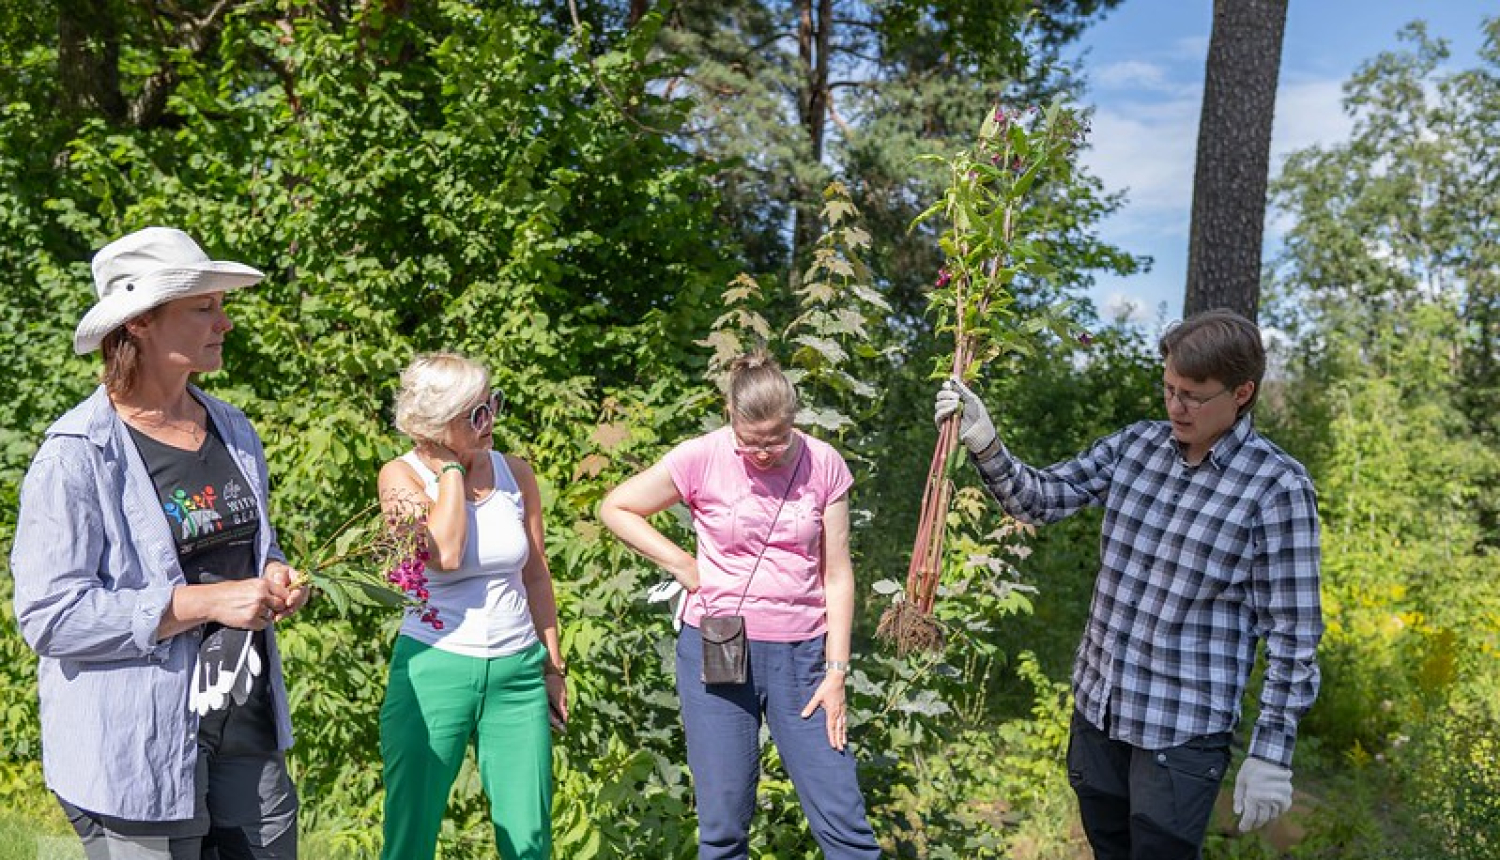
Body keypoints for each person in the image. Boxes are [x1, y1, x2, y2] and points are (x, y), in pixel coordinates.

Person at [934, 309, 1323, 859]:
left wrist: (1272, 750)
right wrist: (985, 442)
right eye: (1168, 388)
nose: (1174, 406)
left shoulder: (1277, 487)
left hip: (1182, 735)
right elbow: (1039, 500)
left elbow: (1294, 633)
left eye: (1192, 395)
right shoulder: (1137, 447)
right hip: (1101, 711)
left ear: (1242, 393)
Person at [10, 226, 309, 859]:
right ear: (140, 323)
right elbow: (48, 616)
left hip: (244, 730)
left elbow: (252, 548)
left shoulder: (231, 427)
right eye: (203, 307)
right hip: (137, 753)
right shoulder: (76, 457)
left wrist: (274, 574)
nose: (224, 322)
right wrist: (205, 603)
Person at [600, 350, 881, 860]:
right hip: (719, 646)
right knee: (723, 823)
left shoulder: (825, 464)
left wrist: (837, 672)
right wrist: (684, 566)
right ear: (730, 415)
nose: (766, 452)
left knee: (844, 819)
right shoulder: (701, 456)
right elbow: (616, 507)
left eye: (778, 437)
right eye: (752, 442)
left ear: (793, 418)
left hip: (803, 656)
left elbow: (837, 575)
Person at [376, 352, 567, 860]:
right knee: (410, 836)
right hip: (434, 669)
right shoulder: (400, 476)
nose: (493, 421)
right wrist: (452, 473)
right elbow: (446, 553)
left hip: (517, 673)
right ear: (437, 423)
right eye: (477, 413)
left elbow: (536, 574)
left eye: (493, 404)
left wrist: (552, 666)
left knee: (529, 839)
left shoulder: (515, 471)